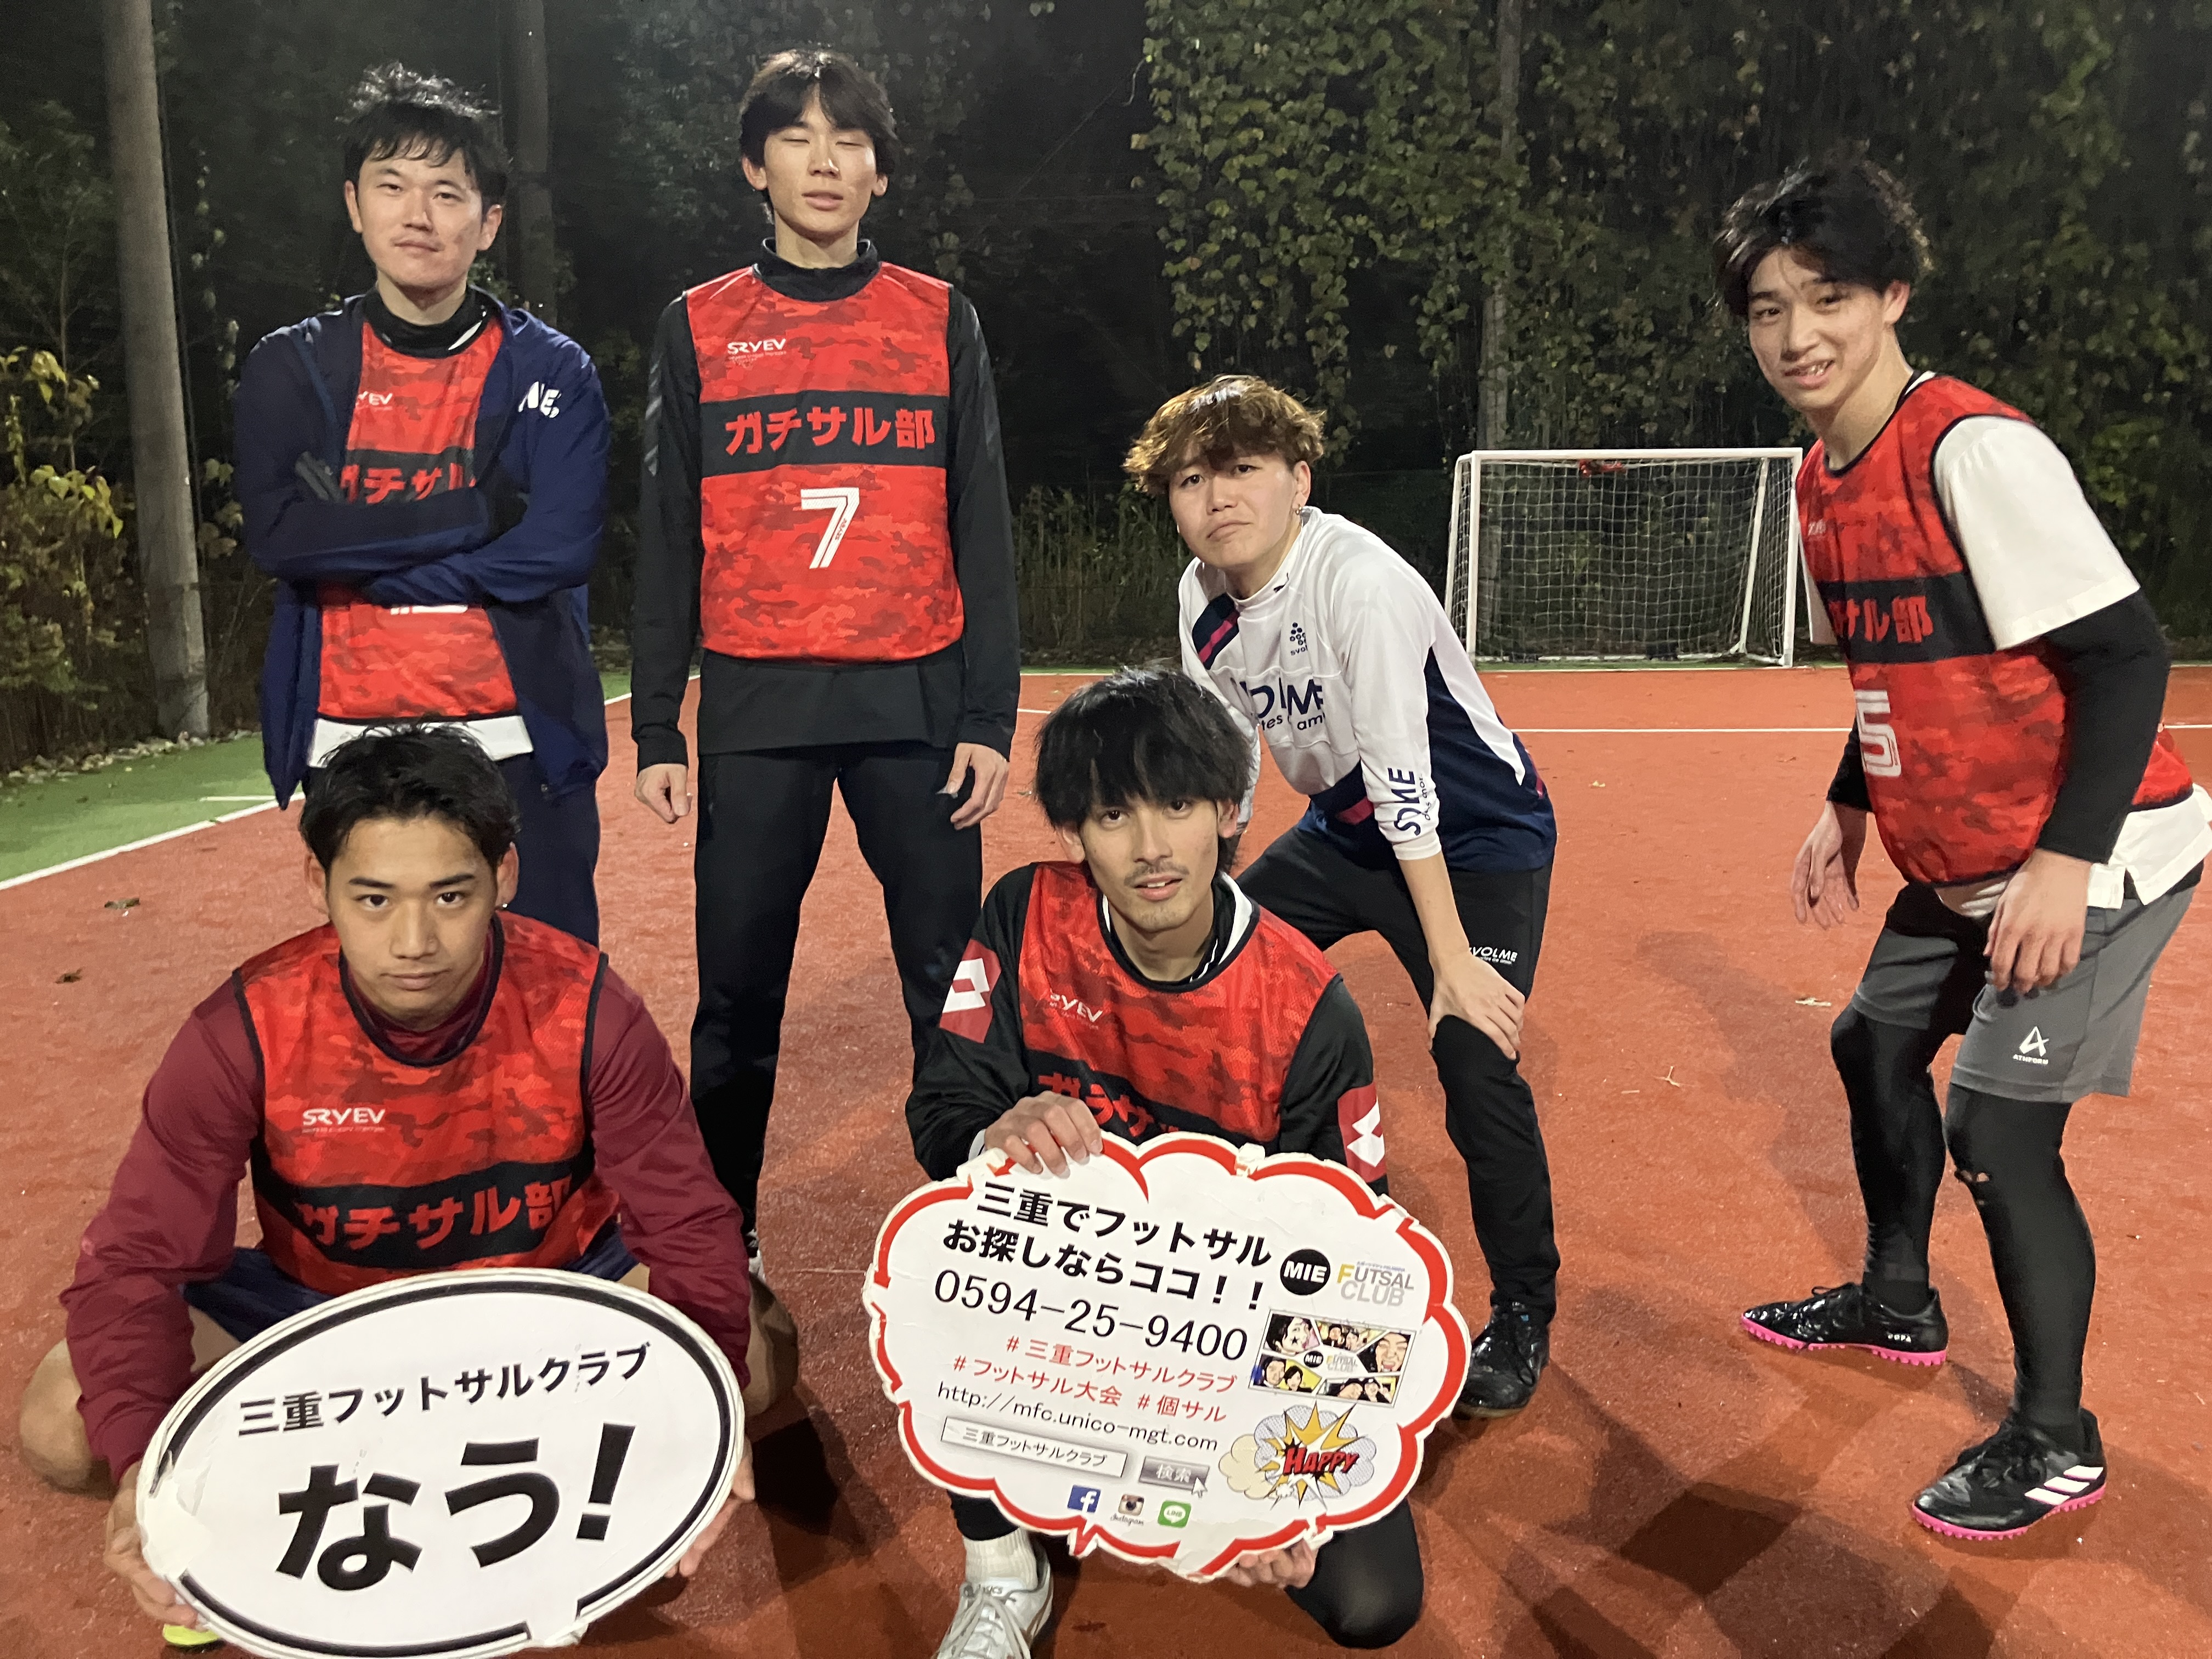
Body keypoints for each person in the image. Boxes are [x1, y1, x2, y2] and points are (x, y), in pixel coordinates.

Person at [1716, 148, 2209, 1540]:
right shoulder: (1819, 479)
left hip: (2097, 848)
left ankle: (2058, 1440)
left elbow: (2127, 658)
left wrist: (2065, 866)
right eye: (1767, 309)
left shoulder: (1972, 452)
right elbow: (1891, 663)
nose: (1797, 335)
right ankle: (1897, 1300)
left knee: (1996, 1130)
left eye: (1826, 298)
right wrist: (1849, 799)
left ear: (1893, 296)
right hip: (1961, 857)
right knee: (1869, 1046)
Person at [15, 727, 756, 1640]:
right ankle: (264, 1521)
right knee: (63, 1423)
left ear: (505, 876)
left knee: (759, 1359)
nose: (414, 942)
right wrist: (144, 1467)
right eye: (373, 899)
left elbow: (686, 1222)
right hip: (322, 1313)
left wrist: (713, 1413)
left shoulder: (588, 1006)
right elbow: (135, 1262)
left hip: (548, 1299)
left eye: (451, 896)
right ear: (318, 885)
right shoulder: (244, 1028)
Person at [629, 47, 1019, 1383]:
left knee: (949, 989)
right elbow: (667, 531)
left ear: (880, 170)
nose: (826, 160)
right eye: (797, 138)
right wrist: (658, 720)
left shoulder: (939, 316)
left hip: (916, 703)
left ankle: (982, 1231)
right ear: (756, 164)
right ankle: (717, 1244)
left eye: (850, 139)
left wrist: (989, 712)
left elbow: (980, 520)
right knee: (738, 997)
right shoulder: (699, 324)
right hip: (757, 708)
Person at [906, 669, 1420, 1657]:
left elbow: (1356, 1271)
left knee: (1371, 1600)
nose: (1150, 848)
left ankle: (1150, 1472)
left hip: (1236, 1338)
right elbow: (941, 1107)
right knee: (938, 1266)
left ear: (1228, 811)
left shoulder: (1308, 1006)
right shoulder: (1023, 915)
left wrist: (1281, 1497)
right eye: (1113, 815)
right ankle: (1003, 1574)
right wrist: (996, 1133)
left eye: (1178, 805)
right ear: (1073, 832)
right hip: (1072, 1299)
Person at [1133, 376, 1562, 1417]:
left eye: (1242, 469)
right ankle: (1239, 1250)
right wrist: (1205, 892)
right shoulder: (1202, 596)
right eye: (1192, 479)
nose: (1218, 498)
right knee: (1202, 980)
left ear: (1299, 480)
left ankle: (1523, 1311)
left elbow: (1406, 782)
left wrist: (1452, 963)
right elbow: (1227, 754)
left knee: (1474, 1055)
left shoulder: (1357, 582)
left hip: (1475, 839)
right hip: (1343, 832)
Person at [234, 64, 610, 943]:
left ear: (489, 223)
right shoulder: (292, 366)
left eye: (447, 193)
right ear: (354, 204)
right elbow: (283, 539)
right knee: (392, 984)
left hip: (518, 741)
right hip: (348, 743)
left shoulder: (552, 369)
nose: (418, 214)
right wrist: (474, 516)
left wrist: (363, 559)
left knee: (550, 988)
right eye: (392, 186)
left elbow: (558, 547)